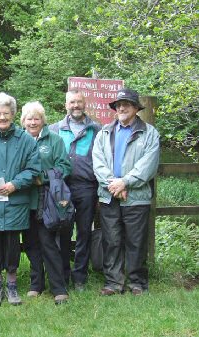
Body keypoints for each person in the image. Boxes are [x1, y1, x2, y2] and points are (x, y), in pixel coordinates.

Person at [0, 92, 40, 306]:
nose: (2, 117)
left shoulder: (26, 140)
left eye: (6, 113)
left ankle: (12, 287)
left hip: (15, 203)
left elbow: (33, 169)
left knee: (13, 245)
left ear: (13, 114)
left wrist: (15, 184)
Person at [92, 88, 160, 296]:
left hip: (136, 197)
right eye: (118, 105)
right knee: (111, 240)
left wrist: (125, 183)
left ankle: (137, 282)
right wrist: (114, 185)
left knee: (136, 241)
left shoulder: (149, 133)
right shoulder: (104, 132)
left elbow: (147, 165)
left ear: (136, 108)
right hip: (109, 196)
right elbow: (98, 163)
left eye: (126, 104)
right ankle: (113, 283)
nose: (121, 108)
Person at [20, 101, 72, 304]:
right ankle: (36, 284)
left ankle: (58, 287)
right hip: (24, 199)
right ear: (23, 121)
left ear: (43, 120)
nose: (33, 122)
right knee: (31, 244)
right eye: (29, 118)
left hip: (48, 199)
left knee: (48, 243)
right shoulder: (18, 141)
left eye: (37, 118)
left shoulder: (55, 140)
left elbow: (65, 166)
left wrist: (45, 177)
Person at [49, 90, 101, 290]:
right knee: (62, 232)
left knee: (84, 233)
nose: (76, 105)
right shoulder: (54, 129)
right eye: (72, 102)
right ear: (66, 105)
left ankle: (79, 277)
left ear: (84, 104)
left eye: (79, 102)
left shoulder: (96, 130)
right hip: (61, 188)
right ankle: (62, 274)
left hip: (87, 188)